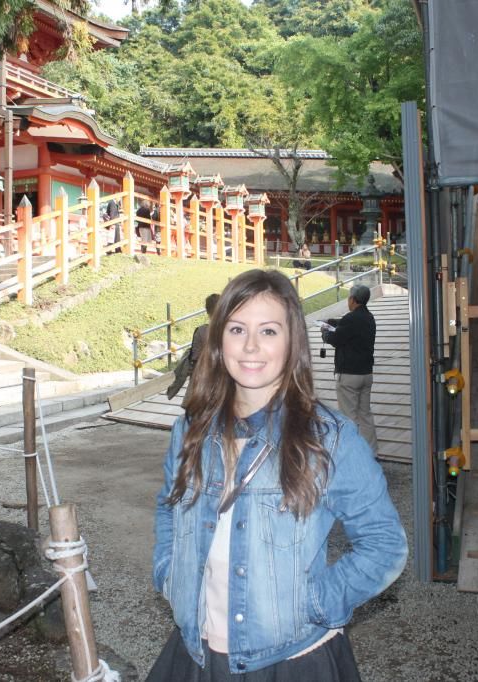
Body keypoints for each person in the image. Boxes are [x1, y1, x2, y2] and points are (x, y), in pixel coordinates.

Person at [149, 269, 406, 680]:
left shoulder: (329, 439)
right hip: (198, 651)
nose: (251, 346)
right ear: (219, 340)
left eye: (268, 331)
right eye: (237, 329)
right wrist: (168, 573)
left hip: (289, 660)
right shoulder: (190, 430)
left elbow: (385, 545)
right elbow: (169, 508)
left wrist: (314, 603)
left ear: (292, 343)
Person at [321, 284, 378, 453]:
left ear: (352, 300)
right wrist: (332, 322)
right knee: (365, 414)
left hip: (349, 375)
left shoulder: (351, 319)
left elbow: (336, 338)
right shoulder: (369, 318)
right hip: (366, 374)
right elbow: (347, 325)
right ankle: (371, 452)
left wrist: (325, 332)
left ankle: (353, 456)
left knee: (349, 416)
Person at [166, 293, 219, 400]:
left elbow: (194, 357)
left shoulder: (201, 331)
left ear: (207, 311)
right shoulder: (231, 331)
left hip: (201, 380)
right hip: (222, 382)